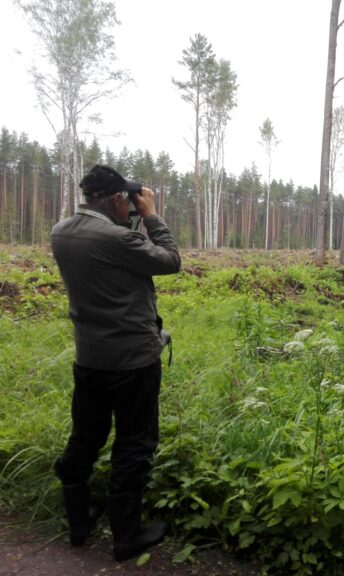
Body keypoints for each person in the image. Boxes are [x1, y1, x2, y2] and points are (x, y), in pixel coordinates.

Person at [51, 164, 181, 561]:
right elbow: (170, 260)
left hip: (90, 356)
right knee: (134, 443)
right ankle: (128, 534)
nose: (132, 205)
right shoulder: (117, 238)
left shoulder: (62, 231)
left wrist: (133, 220)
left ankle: (80, 518)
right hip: (132, 361)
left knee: (86, 436)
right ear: (115, 200)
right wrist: (152, 216)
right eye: (128, 200)